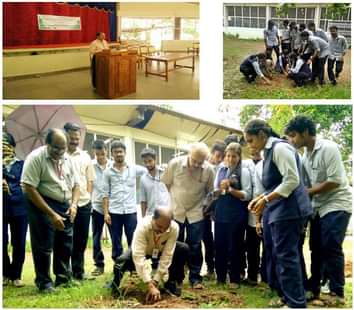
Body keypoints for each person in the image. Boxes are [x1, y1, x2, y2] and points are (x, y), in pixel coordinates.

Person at [244, 119, 312, 308]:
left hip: (290, 211)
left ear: (262, 136)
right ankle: (289, 297)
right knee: (280, 256)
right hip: (279, 211)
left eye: (251, 140)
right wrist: (261, 197)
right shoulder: (268, 152)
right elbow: (277, 183)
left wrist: (266, 199)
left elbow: (291, 180)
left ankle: (296, 303)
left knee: (287, 258)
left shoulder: (280, 149)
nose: (250, 145)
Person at [285, 115, 352, 306]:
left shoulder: (328, 148)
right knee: (315, 246)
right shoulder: (305, 155)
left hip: (338, 202)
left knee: (330, 245)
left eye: (294, 136)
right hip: (318, 206)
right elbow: (306, 185)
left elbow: (334, 180)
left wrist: (307, 192)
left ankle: (337, 292)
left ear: (306, 133)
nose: (292, 140)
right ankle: (313, 289)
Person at [21, 129, 80, 292]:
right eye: (56, 148)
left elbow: (76, 185)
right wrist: (51, 214)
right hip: (41, 201)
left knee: (65, 242)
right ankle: (44, 282)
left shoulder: (67, 158)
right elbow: (28, 187)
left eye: (63, 148)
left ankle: (63, 278)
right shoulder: (35, 158)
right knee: (43, 244)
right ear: (47, 144)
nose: (60, 152)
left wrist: (74, 204)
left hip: (64, 202)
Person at [161, 142, 215, 289]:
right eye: (194, 160)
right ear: (189, 154)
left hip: (196, 212)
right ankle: (175, 277)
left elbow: (210, 191)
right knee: (175, 245)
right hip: (176, 210)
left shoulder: (209, 170)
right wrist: (175, 198)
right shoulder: (175, 164)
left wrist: (205, 207)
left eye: (200, 162)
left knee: (195, 246)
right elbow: (166, 183)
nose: (197, 164)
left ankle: (195, 278)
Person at [111, 206, 189, 301]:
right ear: (153, 219)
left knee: (183, 248)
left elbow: (167, 255)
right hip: (144, 250)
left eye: (166, 228)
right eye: (159, 227)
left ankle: (171, 282)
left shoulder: (174, 228)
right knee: (121, 261)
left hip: (161, 250)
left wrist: (155, 280)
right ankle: (115, 285)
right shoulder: (143, 226)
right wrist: (149, 283)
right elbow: (138, 256)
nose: (162, 231)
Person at [213, 143, 252, 288]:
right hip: (220, 212)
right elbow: (215, 188)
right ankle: (220, 277)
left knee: (235, 247)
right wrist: (218, 191)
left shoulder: (244, 171)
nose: (230, 159)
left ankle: (235, 278)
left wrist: (230, 190)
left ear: (239, 157)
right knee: (219, 245)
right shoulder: (221, 169)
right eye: (228, 156)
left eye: (234, 156)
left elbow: (247, 195)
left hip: (236, 215)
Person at [102, 140, 147, 261]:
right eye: (116, 152)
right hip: (114, 212)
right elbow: (105, 194)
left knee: (133, 239)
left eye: (121, 152)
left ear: (125, 153)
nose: (119, 154)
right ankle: (118, 266)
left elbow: (148, 170)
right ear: (112, 154)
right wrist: (106, 213)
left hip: (130, 211)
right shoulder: (107, 172)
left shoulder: (133, 169)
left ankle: (133, 266)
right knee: (116, 241)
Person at [64, 122, 95, 281]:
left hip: (83, 204)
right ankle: (65, 272)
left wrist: (88, 196)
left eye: (77, 138)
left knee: (81, 240)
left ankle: (78, 272)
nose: (75, 141)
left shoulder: (85, 156)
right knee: (65, 240)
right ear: (65, 136)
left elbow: (90, 180)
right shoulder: (60, 155)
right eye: (72, 138)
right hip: (64, 203)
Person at [3, 132, 28, 287]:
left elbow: (27, 185)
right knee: (2, 241)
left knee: (18, 242)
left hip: (20, 208)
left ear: (12, 146)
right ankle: (5, 273)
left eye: (5, 143)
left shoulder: (23, 164)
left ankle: (16, 275)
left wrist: (14, 187)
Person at [203, 140, 226, 279]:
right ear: (211, 153)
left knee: (217, 240)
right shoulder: (203, 166)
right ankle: (209, 267)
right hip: (202, 208)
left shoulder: (222, 169)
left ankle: (217, 269)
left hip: (217, 208)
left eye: (221, 157)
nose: (219, 159)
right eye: (217, 155)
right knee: (205, 237)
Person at [90, 140, 112, 276]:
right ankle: (99, 265)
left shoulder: (112, 165)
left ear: (106, 151)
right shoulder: (90, 166)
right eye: (97, 154)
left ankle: (119, 263)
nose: (100, 157)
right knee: (96, 237)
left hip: (112, 207)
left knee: (115, 237)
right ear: (94, 152)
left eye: (102, 154)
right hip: (96, 206)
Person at [243, 150, 263, 285]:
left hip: (266, 207)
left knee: (265, 246)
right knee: (251, 246)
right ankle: (251, 276)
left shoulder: (267, 163)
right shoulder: (245, 164)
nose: (254, 149)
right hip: (249, 211)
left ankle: (265, 276)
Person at [140, 148, 169, 217]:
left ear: (156, 159)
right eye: (145, 162)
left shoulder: (165, 172)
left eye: (150, 161)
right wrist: (143, 218)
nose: (148, 164)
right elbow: (143, 200)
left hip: (166, 214)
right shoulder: (143, 179)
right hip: (151, 215)